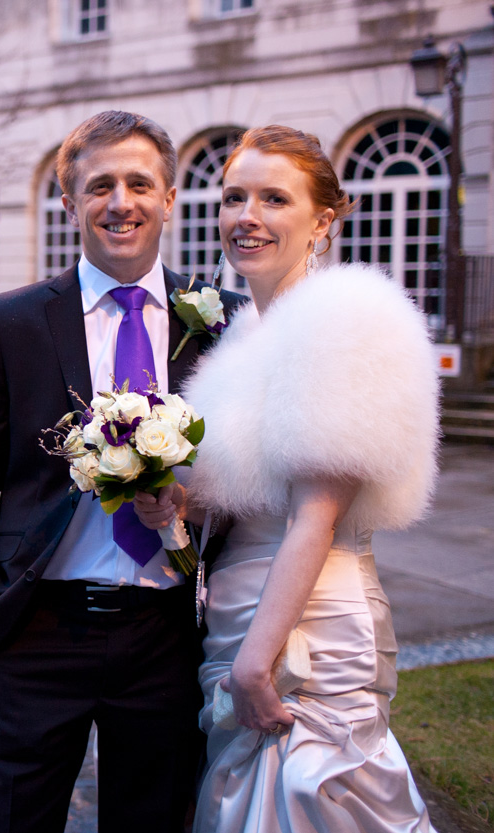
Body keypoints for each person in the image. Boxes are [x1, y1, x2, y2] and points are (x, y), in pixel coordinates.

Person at [0, 110, 245, 832]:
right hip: (37, 625)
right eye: (99, 185)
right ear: (70, 202)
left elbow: (248, 477)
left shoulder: (223, 323)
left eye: (140, 183)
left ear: (169, 198)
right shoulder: (14, 322)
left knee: (155, 819)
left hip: (168, 632)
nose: (120, 202)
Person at [134, 125, 439, 832]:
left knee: (305, 800)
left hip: (311, 627)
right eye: (234, 196)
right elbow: (243, 494)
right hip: (239, 621)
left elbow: (314, 517)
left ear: (323, 219)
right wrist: (172, 500)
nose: (248, 216)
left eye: (275, 198)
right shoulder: (242, 334)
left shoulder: (343, 321)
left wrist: (255, 660)